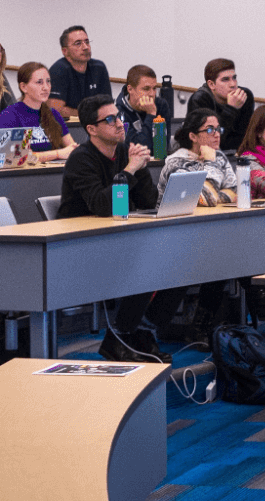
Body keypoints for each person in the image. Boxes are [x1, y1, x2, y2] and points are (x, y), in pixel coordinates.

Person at [59, 95, 169, 363]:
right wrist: (130, 170)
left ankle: (140, 333)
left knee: (176, 264)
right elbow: (102, 206)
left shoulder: (124, 152)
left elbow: (148, 201)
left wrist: (140, 169)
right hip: (81, 246)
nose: (120, 123)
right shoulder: (81, 159)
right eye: (110, 119)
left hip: (119, 239)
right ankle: (120, 337)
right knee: (147, 264)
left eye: (118, 117)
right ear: (91, 129)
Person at [0, 62, 76, 163]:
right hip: (25, 176)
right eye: (39, 82)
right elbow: (13, 157)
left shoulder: (53, 114)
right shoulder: (10, 115)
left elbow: (72, 148)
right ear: (23, 87)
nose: (46, 87)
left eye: (48, 81)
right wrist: (58, 154)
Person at [159, 109, 238, 206]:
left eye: (218, 129)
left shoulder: (219, 156)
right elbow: (205, 199)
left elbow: (236, 192)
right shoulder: (176, 164)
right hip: (176, 220)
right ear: (193, 137)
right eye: (210, 130)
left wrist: (214, 197)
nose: (217, 135)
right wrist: (211, 162)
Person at [186, 58, 255, 157]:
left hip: (236, 155)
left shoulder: (244, 96)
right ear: (211, 84)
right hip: (205, 156)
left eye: (234, 78)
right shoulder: (200, 100)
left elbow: (244, 137)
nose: (233, 84)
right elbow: (208, 141)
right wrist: (231, 109)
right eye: (225, 79)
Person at [48, 25, 110, 116]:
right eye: (78, 43)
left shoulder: (99, 68)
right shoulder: (58, 70)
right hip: (67, 127)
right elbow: (55, 110)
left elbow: (108, 106)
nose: (85, 47)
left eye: (87, 42)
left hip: (95, 126)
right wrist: (90, 116)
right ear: (65, 51)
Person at [117, 64, 173, 150]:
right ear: (130, 89)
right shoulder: (119, 112)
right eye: (146, 89)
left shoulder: (161, 105)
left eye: (154, 88)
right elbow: (138, 150)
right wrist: (151, 115)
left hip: (158, 162)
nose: (152, 94)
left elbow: (162, 148)